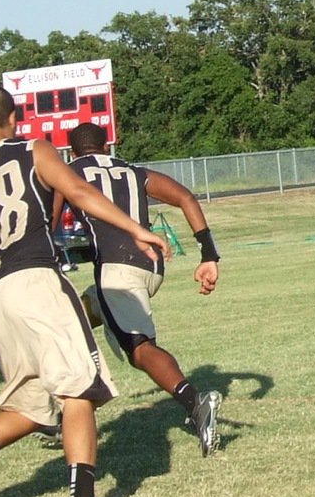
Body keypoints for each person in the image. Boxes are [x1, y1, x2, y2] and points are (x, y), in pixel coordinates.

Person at [0, 84, 169, 497]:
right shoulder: (34, 150)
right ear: (15, 118)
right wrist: (136, 229)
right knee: (80, 389)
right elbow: (78, 191)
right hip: (36, 281)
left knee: (34, 400)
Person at [55, 122, 222, 456]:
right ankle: (60, 415)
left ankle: (195, 402)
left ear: (71, 151)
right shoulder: (132, 171)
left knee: (140, 349)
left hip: (116, 270)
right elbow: (185, 197)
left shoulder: (67, 173)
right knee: (70, 324)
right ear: (107, 147)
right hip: (151, 266)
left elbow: (49, 220)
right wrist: (208, 254)